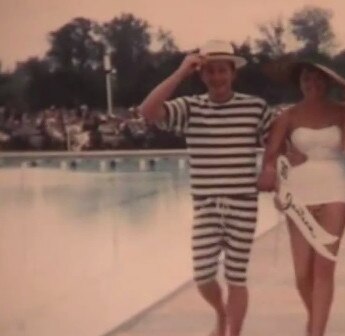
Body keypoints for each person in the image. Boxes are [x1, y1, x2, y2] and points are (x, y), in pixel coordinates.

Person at [139, 40, 274, 336]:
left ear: (232, 73)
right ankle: (221, 313)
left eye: (222, 71)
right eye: (210, 71)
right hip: (207, 205)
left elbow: (275, 144)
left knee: (237, 277)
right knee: (202, 275)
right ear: (202, 75)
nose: (217, 77)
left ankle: (232, 332)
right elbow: (147, 111)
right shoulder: (190, 108)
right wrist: (179, 73)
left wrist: (270, 168)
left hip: (242, 204)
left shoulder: (254, 107)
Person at [256, 60, 345, 336]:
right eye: (306, 80)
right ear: (299, 83)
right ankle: (316, 321)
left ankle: (316, 332)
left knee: (324, 267)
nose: (312, 84)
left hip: (335, 188)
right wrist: (283, 163)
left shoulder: (340, 113)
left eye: (318, 79)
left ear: (327, 81)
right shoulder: (288, 116)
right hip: (298, 192)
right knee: (303, 274)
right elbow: (269, 158)